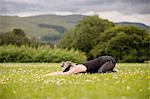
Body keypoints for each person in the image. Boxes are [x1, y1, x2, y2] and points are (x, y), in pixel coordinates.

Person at [46, 56, 116, 76]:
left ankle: (112, 70)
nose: (70, 71)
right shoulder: (79, 68)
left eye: (69, 69)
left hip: (108, 60)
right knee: (98, 72)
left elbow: (63, 74)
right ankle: (112, 70)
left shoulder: (78, 67)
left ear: (71, 67)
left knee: (100, 73)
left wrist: (48, 75)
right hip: (106, 62)